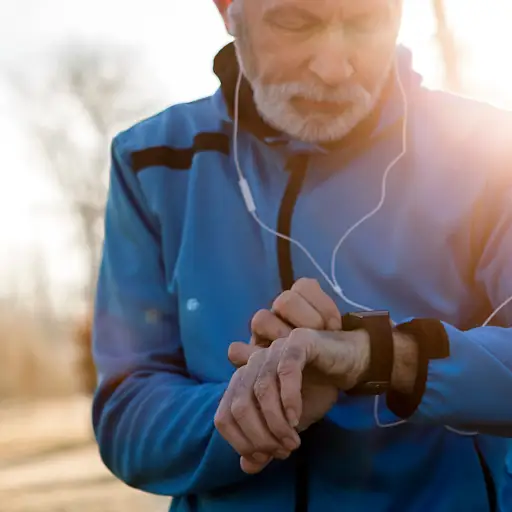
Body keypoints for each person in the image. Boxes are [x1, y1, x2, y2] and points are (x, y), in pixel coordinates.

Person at [91, 0, 512, 510]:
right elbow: (126, 417)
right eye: (294, 21)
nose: (334, 68)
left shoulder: (488, 149)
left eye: (364, 22)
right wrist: (254, 408)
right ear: (229, 12)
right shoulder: (151, 160)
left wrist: (378, 357)